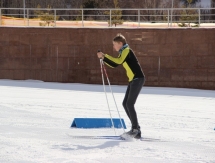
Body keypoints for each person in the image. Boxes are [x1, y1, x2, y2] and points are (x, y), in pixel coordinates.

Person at [97, 33, 145, 139]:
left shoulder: (127, 50)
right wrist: (104, 59)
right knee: (125, 103)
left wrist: (105, 56)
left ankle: (135, 129)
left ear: (120, 43)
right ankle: (135, 128)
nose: (113, 47)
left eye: (114, 44)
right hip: (133, 80)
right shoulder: (123, 51)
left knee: (129, 104)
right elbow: (115, 64)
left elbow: (118, 61)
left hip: (137, 79)